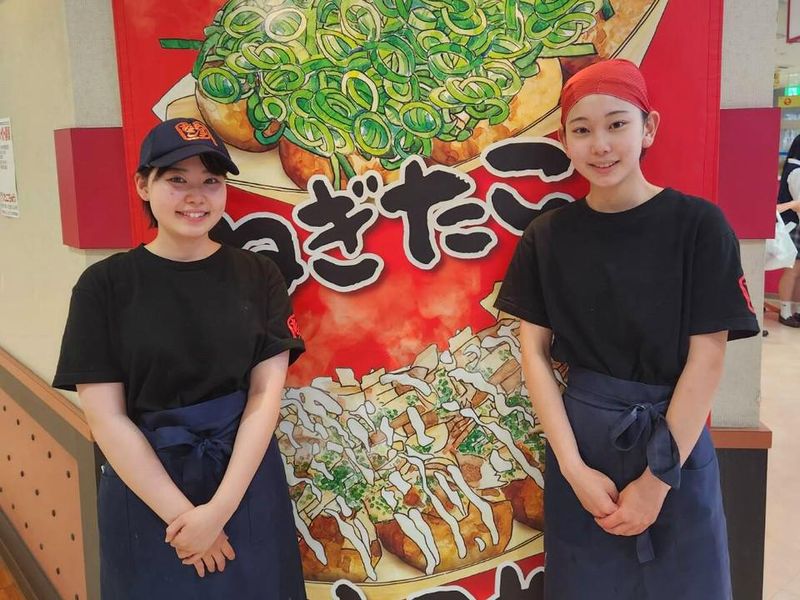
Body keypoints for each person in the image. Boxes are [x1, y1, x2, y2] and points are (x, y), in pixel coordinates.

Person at [495, 60, 759, 599]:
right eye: (582, 130)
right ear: (564, 141)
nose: (601, 145)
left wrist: (657, 481)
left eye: (617, 124)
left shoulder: (700, 226)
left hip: (676, 443)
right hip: (583, 450)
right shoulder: (547, 237)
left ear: (649, 128)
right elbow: (534, 353)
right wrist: (573, 469)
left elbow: (708, 357)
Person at [53, 118, 307, 599]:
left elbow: (264, 397)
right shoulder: (103, 286)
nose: (196, 196)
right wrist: (183, 517)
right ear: (142, 186)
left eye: (210, 181)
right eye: (176, 179)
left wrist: (217, 512)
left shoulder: (260, 275)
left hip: (244, 482)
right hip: (146, 488)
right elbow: (105, 417)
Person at [776, 134, 800, 327]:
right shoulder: (796, 171)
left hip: (795, 224)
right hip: (795, 226)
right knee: (793, 270)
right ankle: (785, 311)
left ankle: (795, 309)